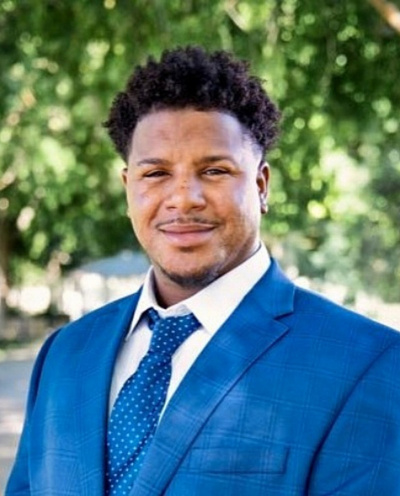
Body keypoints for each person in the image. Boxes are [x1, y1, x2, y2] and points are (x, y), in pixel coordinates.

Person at [6, 46, 400, 496]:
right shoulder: (64, 353)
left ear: (261, 185)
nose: (183, 198)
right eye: (156, 174)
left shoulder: (367, 364)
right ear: (128, 187)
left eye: (214, 170)